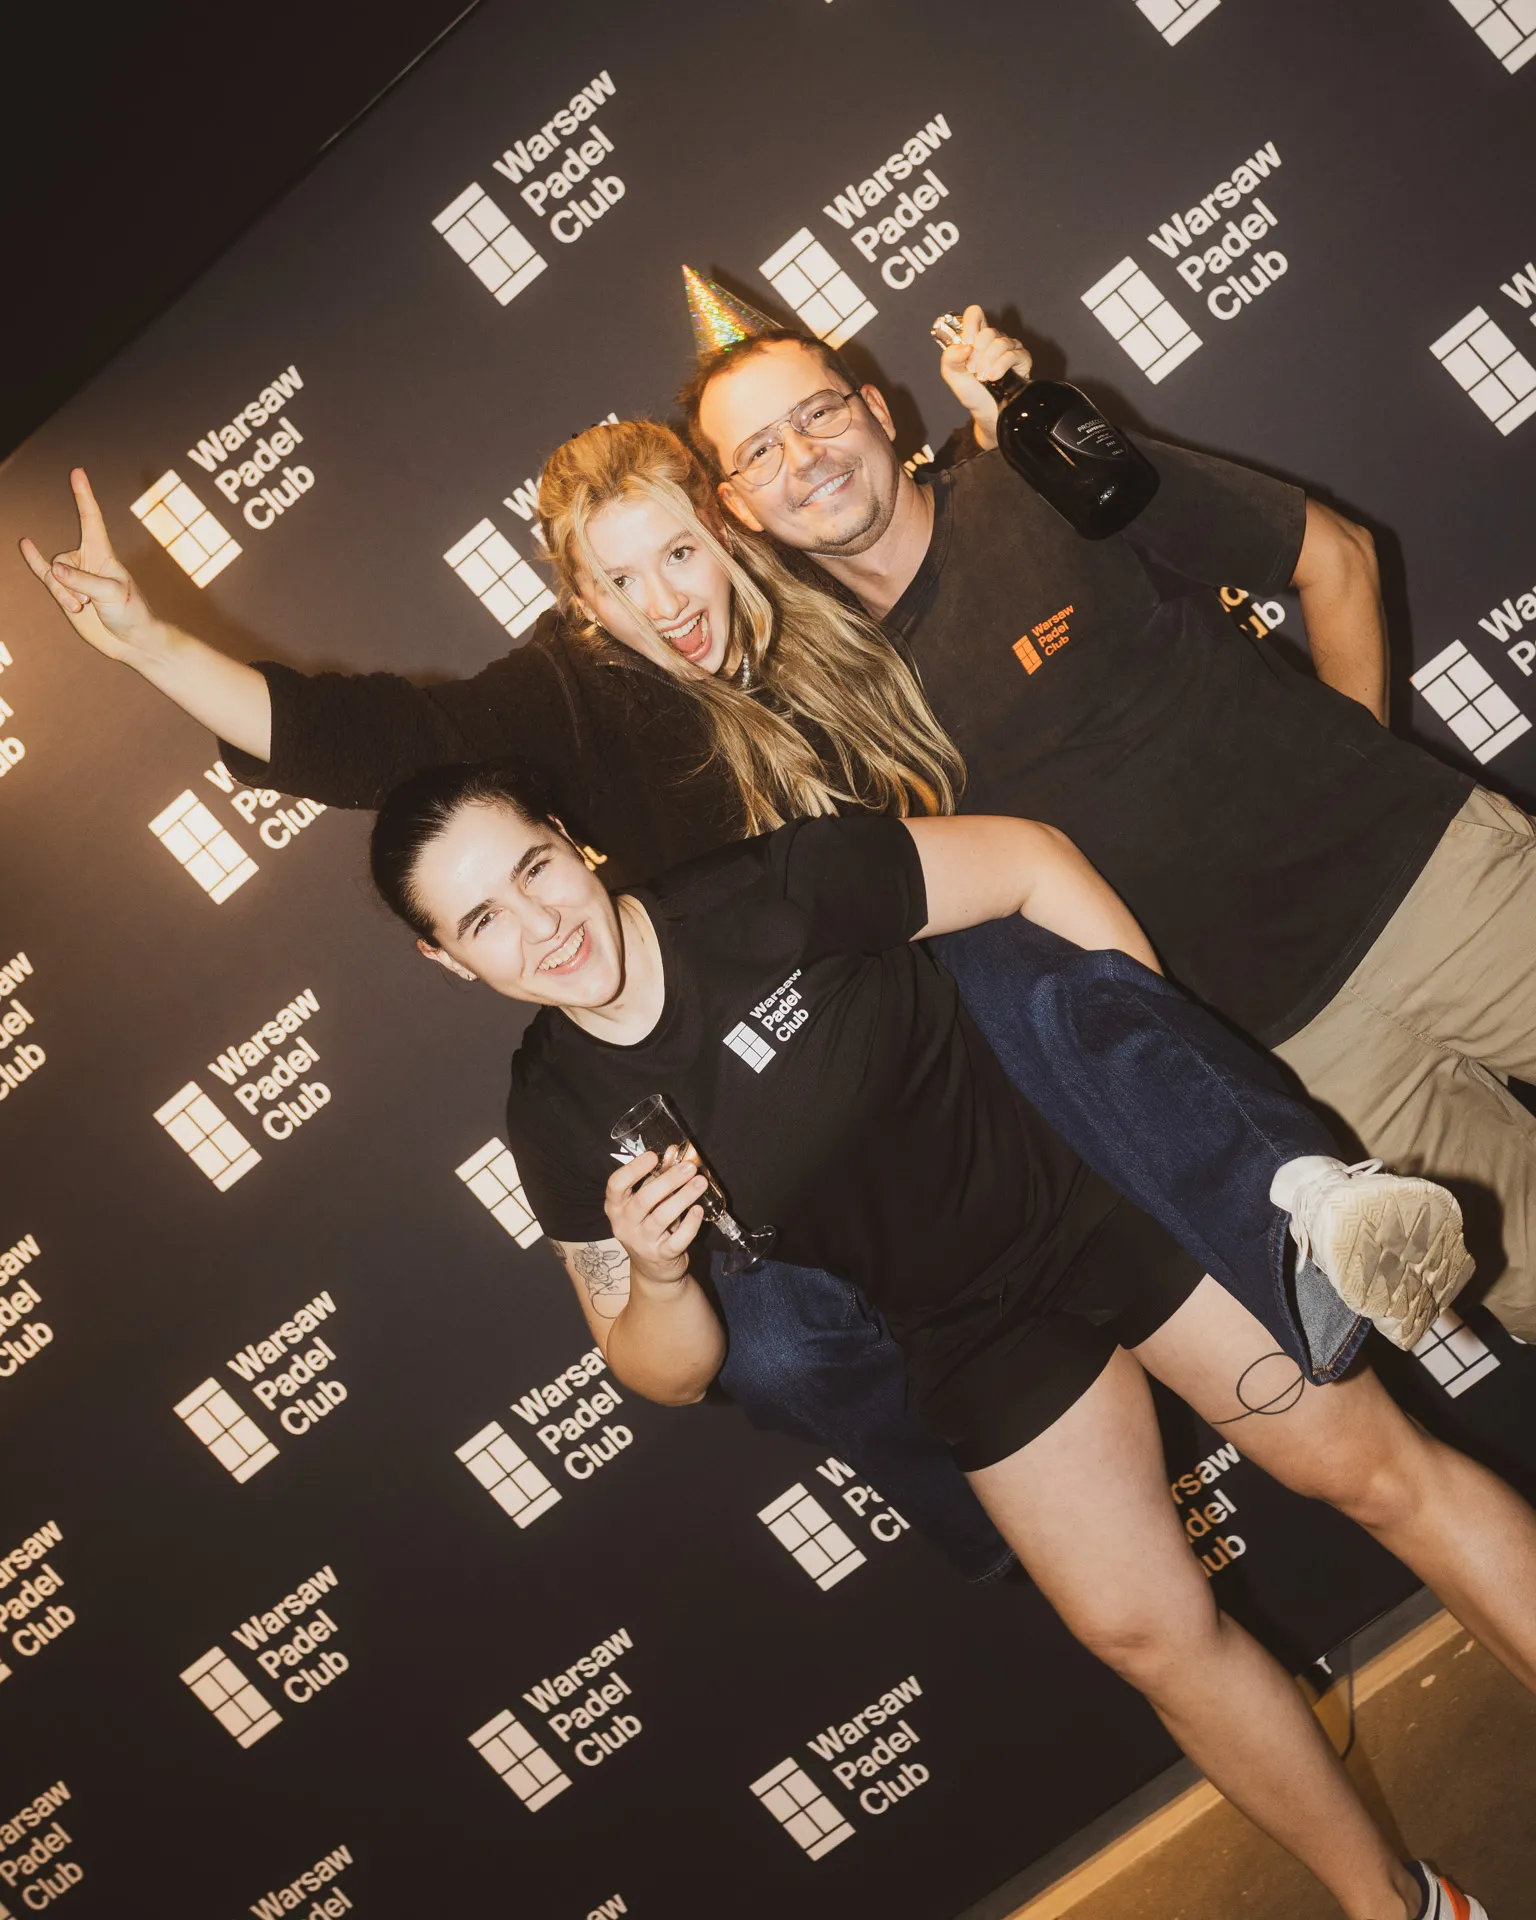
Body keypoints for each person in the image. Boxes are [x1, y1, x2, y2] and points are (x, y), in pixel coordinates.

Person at [18, 451, 1463, 1581]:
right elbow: (375, 738)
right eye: (621, 580)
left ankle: (1304, 1202)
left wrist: (1010, 414)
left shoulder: (819, 614)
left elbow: (931, 545)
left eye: (680, 553)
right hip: (776, 1100)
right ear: (583, 607)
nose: (667, 601)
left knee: (1059, 985)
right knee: (774, 1351)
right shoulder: (578, 702)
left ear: (723, 530)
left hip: (939, 1001)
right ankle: (999, 1511)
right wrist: (152, 646)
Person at [368, 760, 1516, 1920]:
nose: (541, 925)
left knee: (1375, 1474)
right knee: (1146, 1635)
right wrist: (660, 1277)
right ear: (448, 960)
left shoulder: (766, 893)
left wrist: (1163, 1075)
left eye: (535, 869)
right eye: (484, 921)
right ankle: (1404, 1909)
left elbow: (1030, 863)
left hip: (1098, 1192)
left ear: (571, 840)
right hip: (962, 1323)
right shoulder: (556, 1113)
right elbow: (661, 1371)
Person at [683, 306, 1536, 1344]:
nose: (803, 456)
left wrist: (1351, 772)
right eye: (759, 451)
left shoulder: (1040, 480)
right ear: (737, 505)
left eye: (817, 413)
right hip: (1302, 1062)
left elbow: (1336, 558)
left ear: (875, 408)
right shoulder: (832, 719)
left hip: (1443, 892)